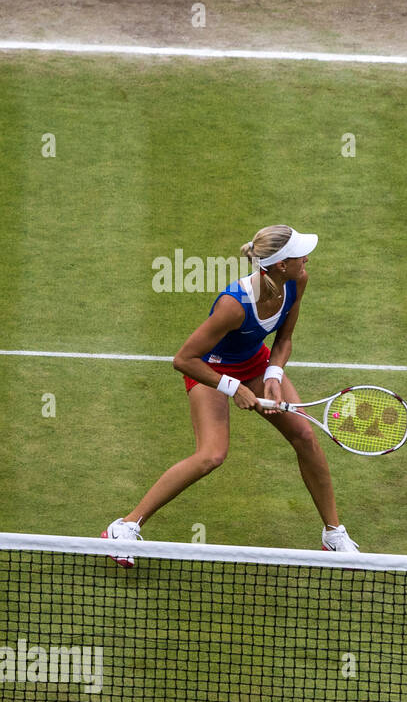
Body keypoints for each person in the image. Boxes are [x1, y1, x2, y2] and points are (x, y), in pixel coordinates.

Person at [103, 225, 359, 565]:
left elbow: (283, 339)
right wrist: (231, 386)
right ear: (281, 264)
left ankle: (332, 533)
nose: (307, 258)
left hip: (254, 362)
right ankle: (124, 527)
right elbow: (183, 360)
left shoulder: (298, 281)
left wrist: (272, 373)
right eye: (300, 253)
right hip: (209, 369)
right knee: (211, 455)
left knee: (305, 436)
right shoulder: (233, 305)